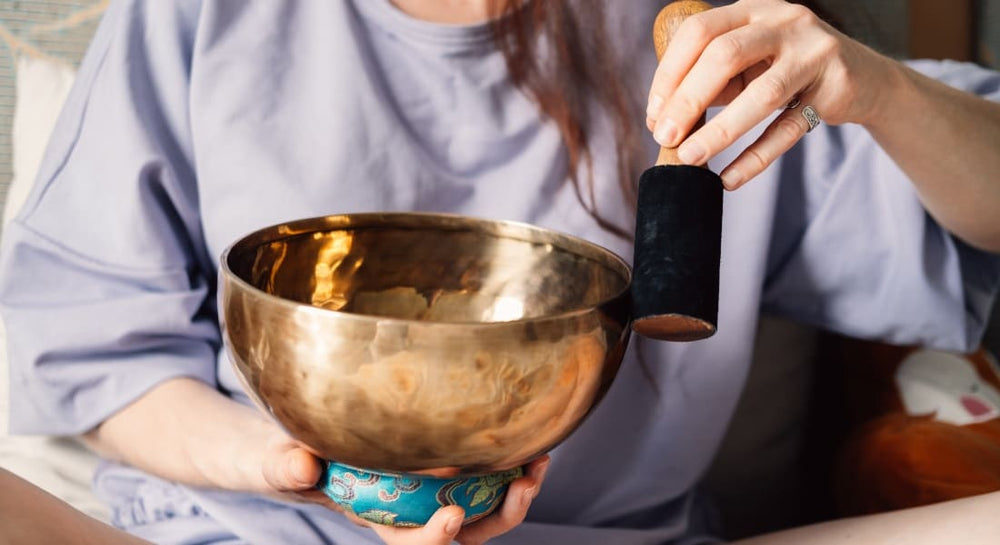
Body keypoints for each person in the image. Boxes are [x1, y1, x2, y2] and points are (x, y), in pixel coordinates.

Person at [1, 0, 999, 543]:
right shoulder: (199, 16)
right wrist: (287, 471)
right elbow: (92, 349)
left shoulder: (712, 53)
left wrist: (877, 89)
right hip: (254, 525)